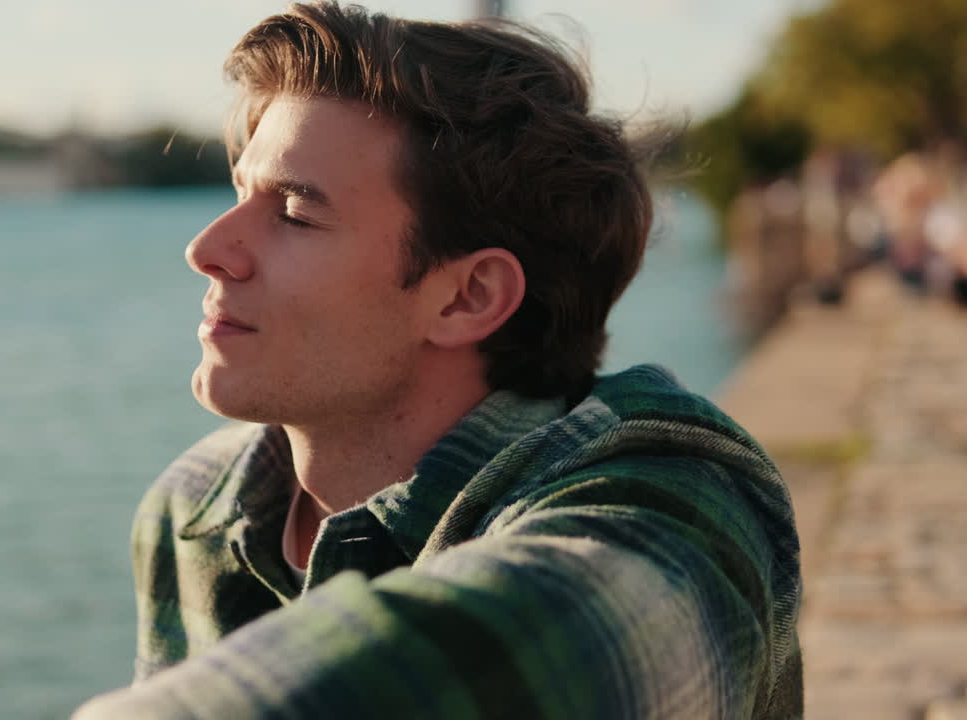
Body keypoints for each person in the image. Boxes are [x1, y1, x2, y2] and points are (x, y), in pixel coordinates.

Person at [75, 3, 802, 718]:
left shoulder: (675, 508)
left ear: (467, 297)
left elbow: (545, 641)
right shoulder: (196, 505)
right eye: (240, 193)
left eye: (294, 212)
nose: (206, 249)